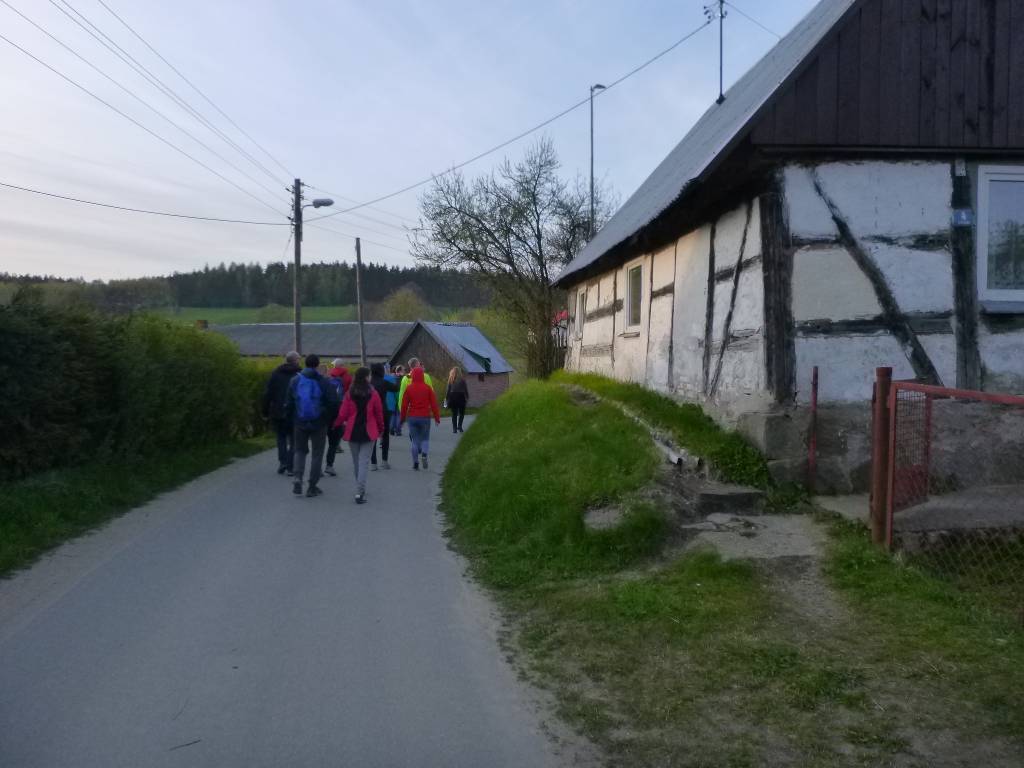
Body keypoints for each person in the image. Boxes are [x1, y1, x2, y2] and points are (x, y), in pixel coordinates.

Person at [285, 354, 340, 497]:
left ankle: (297, 478)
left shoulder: (295, 380)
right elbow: (334, 402)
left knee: (299, 450)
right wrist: (328, 417)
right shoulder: (323, 381)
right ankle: (312, 486)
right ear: (317, 365)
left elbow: (289, 403)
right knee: (317, 453)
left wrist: (292, 418)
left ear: (305, 363)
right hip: (319, 422)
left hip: (300, 421)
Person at [334, 366, 385, 504]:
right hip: (369, 431)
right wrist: (381, 428)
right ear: (366, 377)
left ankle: (359, 487)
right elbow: (379, 413)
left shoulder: (349, 393)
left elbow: (343, 413)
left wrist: (336, 424)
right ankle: (359, 490)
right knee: (364, 462)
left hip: (352, 431)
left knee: (357, 462)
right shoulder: (373, 393)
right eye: (369, 375)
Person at [262, 351, 301, 475]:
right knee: (294, 439)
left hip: (278, 411)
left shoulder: (276, 373)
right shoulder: (300, 375)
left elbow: (268, 394)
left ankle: (283, 462)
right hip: (294, 411)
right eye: (298, 359)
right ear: (296, 360)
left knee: (281, 437)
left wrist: (265, 411)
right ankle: (290, 466)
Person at [400, 366, 441, 471]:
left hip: (412, 417)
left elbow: (404, 405)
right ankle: (424, 454)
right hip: (425, 417)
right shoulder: (428, 388)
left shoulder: (409, 388)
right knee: (425, 439)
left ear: (413, 376)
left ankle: (415, 463)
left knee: (415, 441)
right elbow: (434, 404)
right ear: (422, 376)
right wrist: (437, 418)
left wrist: (402, 419)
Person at [324, 359, 353, 476]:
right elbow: (350, 394)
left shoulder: (327, 376)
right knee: (333, 440)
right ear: (342, 365)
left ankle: (317, 466)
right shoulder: (348, 377)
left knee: (320, 442)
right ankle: (329, 465)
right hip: (340, 409)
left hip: (326, 411)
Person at [369, 363, 399, 470]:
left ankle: (373, 463)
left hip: (371, 412)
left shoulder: (369, 383)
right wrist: (394, 377)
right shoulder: (384, 382)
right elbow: (396, 388)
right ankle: (384, 461)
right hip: (383, 410)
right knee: (385, 435)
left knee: (372, 437)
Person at [445, 366, 469, 433]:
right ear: (459, 372)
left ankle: (454, 428)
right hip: (461, 397)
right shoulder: (462, 380)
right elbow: (465, 389)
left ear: (452, 372)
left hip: (453, 397)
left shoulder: (450, 379)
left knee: (454, 414)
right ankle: (460, 426)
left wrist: (446, 398)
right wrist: (467, 397)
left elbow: (448, 390)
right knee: (462, 413)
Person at [387, 365, 404, 436]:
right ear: (399, 371)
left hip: (391, 399)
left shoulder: (391, 378)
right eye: (403, 370)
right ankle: (398, 430)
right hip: (398, 397)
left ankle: (391, 429)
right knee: (399, 415)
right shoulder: (400, 379)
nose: (404, 372)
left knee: (393, 415)